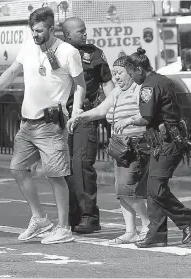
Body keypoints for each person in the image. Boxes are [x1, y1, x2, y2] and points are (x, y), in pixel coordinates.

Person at [0, 7, 87, 245]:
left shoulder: (67, 51)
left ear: (52, 29)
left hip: (50, 124)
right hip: (27, 122)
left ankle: (63, 228)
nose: (35, 34)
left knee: (56, 175)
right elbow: (12, 71)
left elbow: (80, 84)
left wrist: (77, 109)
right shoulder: (29, 46)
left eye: (40, 30)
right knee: (17, 169)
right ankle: (40, 218)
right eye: (33, 30)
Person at [121, 47, 191, 248]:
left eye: (131, 73)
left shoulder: (148, 86)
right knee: (152, 189)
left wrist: (127, 121)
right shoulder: (163, 79)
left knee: (155, 189)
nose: (131, 78)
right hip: (166, 141)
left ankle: (188, 220)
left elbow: (145, 117)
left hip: (167, 143)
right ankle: (157, 234)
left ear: (139, 69)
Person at [68, 56, 151, 244]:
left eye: (120, 73)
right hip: (119, 147)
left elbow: (147, 113)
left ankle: (147, 225)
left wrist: (129, 121)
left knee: (127, 188)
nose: (116, 78)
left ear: (130, 73)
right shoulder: (116, 93)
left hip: (135, 144)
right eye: (114, 74)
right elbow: (100, 110)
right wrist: (80, 117)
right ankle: (131, 230)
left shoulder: (138, 89)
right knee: (120, 191)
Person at [61, 17, 115, 234]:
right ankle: (71, 216)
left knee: (82, 165)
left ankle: (88, 217)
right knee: (64, 168)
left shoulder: (94, 54)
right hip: (62, 117)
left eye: (85, 30)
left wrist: (114, 109)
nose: (85, 33)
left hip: (84, 115)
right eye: (80, 31)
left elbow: (107, 82)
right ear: (67, 35)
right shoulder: (58, 52)